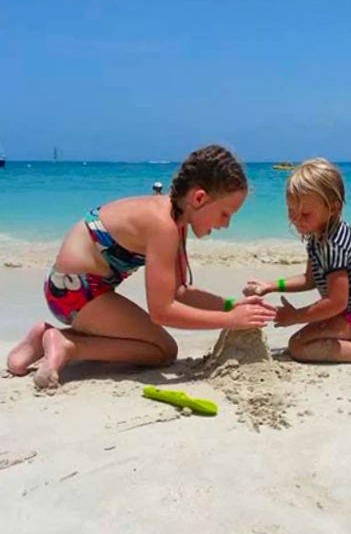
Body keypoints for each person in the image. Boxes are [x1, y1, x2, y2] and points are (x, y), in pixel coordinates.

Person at [7, 145, 276, 389]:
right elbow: (162, 311)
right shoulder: (164, 225)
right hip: (79, 292)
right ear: (199, 198)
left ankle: (42, 336)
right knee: (162, 351)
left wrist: (232, 306)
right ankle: (68, 346)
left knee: (157, 344)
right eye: (225, 214)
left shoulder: (174, 216)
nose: (226, 224)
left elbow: (181, 291)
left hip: (71, 289)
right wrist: (230, 321)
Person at [243, 158, 351, 365]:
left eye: (305, 214)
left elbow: (336, 302)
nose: (296, 220)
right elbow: (309, 279)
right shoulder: (320, 236)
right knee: (305, 338)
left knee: (298, 345)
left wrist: (295, 316)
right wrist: (271, 286)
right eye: (291, 212)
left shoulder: (334, 246)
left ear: (333, 208)